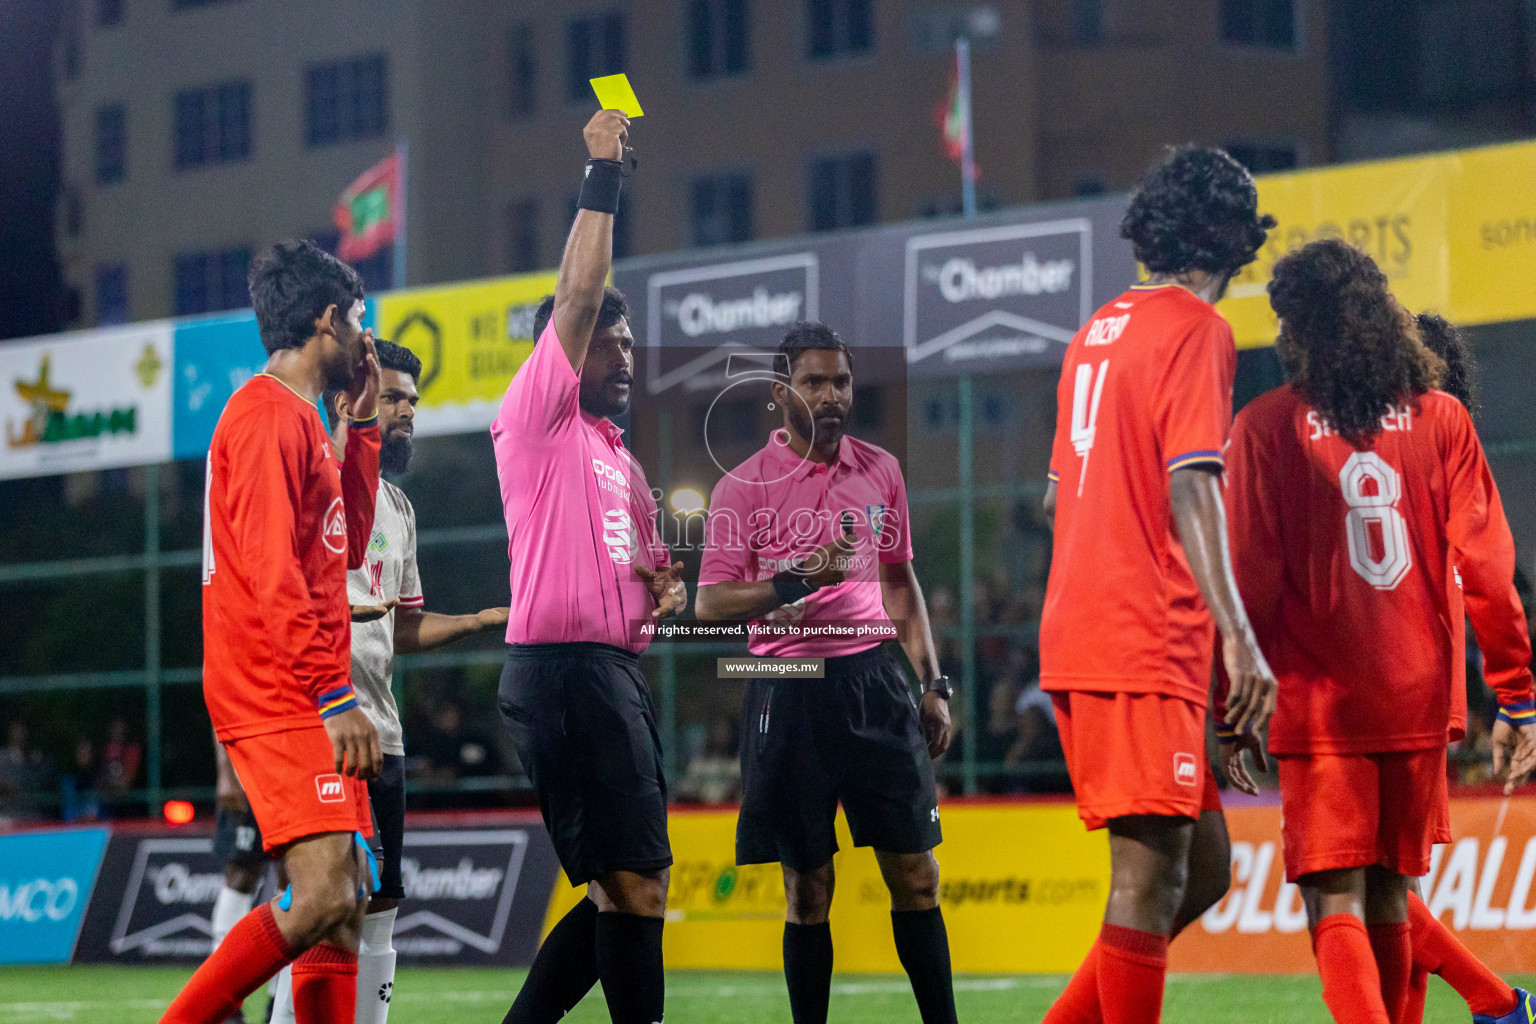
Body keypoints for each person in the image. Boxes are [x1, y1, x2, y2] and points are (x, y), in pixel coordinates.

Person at [1221, 240, 1536, 1024]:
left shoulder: (1264, 427)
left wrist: (1230, 705)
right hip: (1419, 695)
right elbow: (1489, 568)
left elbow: (1248, 583)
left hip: (1321, 704)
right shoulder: (1443, 417)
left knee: (1335, 901)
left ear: (1295, 329)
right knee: (1394, 894)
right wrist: (1518, 696)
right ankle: (1494, 1007)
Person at [1038, 145, 1279, 1024]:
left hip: (1090, 627)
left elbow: (1060, 493)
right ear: (1235, 238)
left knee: (1203, 867)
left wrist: (1213, 691)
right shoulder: (1195, 328)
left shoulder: (1095, 333)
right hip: (1139, 633)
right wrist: (1242, 642)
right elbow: (1190, 483)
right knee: (1146, 882)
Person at [696, 322, 958, 1024]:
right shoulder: (743, 487)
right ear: (782, 394)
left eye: (841, 381)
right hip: (791, 691)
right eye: (815, 382)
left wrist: (931, 683)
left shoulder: (881, 470)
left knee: (918, 876)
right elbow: (711, 602)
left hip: (875, 682)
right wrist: (793, 582)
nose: (832, 395)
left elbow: (901, 584)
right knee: (807, 887)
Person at [493, 109, 685, 1024]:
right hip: (565, 674)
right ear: (562, 357)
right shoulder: (540, 417)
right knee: (636, 884)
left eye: (632, 341)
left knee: (629, 888)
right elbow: (576, 298)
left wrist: (666, 590)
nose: (627, 354)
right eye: (611, 340)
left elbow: (651, 580)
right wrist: (601, 177)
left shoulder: (621, 460)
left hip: (611, 675)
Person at [162, 239, 384, 1024]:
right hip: (279, 688)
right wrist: (331, 697)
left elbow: (349, 545)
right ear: (327, 319)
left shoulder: (309, 421)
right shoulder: (260, 418)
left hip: (306, 683)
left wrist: (360, 428)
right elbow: (269, 573)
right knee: (324, 890)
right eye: (358, 321)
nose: (365, 338)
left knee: (346, 908)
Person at [265, 338, 511, 1024]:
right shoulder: (309, 483)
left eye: (411, 402)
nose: (406, 412)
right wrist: (340, 611)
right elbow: (276, 596)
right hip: (316, 725)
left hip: (382, 731)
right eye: (394, 397)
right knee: (327, 901)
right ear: (352, 400)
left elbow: (403, 627)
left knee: (382, 901)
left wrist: (479, 620)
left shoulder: (397, 510)